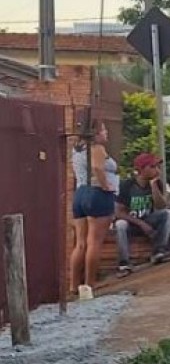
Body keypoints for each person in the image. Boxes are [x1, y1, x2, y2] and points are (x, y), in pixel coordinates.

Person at [69, 119, 120, 290]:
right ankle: (90, 283)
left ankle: (73, 285)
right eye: (103, 130)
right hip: (97, 194)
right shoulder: (97, 148)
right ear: (95, 134)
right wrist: (106, 186)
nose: (106, 133)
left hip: (80, 193)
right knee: (94, 242)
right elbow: (98, 168)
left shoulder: (77, 149)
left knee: (80, 242)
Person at [114, 153, 170, 277]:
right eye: (153, 167)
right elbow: (118, 212)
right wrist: (141, 223)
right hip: (132, 223)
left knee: (167, 214)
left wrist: (154, 186)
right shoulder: (127, 185)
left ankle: (159, 251)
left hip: (148, 219)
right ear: (142, 170)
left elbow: (161, 206)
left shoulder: (157, 183)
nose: (157, 170)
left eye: (157, 167)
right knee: (120, 224)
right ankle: (124, 263)